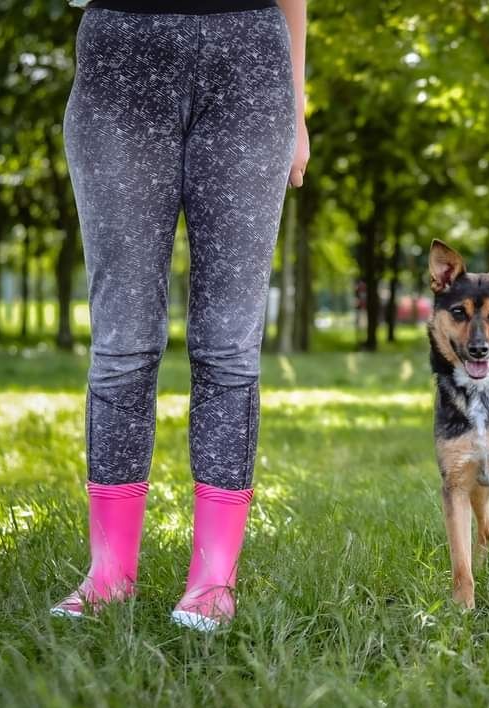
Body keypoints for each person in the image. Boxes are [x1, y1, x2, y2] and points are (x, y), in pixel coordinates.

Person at [50, 0, 310, 632]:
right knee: (122, 342)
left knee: (227, 343)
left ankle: (213, 582)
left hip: (250, 61)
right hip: (120, 55)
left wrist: (296, 104)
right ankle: (109, 573)